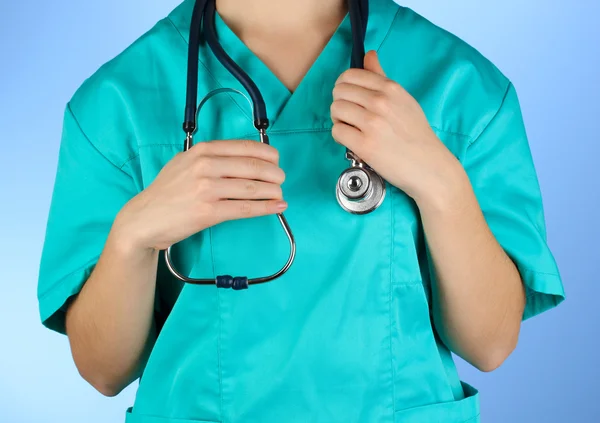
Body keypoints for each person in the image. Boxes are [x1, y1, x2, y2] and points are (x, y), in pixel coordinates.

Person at [37, 0, 565, 422]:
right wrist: (133, 236)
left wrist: (441, 183)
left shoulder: (460, 87)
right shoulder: (117, 103)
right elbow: (103, 369)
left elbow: (491, 343)